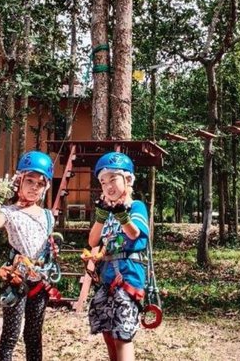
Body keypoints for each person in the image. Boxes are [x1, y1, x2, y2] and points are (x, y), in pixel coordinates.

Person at [0, 150, 57, 361]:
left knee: (34, 335)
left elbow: (48, 245)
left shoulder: (47, 215)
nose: (34, 187)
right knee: (11, 335)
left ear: (45, 188)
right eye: (30, 181)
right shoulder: (10, 211)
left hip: (40, 282)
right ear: (19, 182)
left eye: (40, 183)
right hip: (17, 281)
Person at [87, 151, 149, 361]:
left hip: (129, 276)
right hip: (107, 278)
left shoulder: (136, 207)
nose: (108, 186)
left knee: (122, 335)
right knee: (108, 332)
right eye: (103, 182)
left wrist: (122, 215)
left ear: (128, 179)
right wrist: (102, 216)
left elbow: (134, 233)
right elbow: (92, 241)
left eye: (113, 179)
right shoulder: (106, 211)